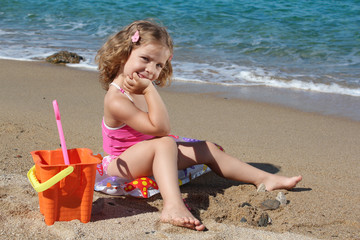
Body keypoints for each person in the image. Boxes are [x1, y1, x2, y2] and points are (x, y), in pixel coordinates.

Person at [96, 20, 302, 231]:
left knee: (207, 148)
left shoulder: (140, 86)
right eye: (145, 59)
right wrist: (150, 91)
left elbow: (159, 131)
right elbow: (161, 129)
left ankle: (264, 179)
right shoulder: (116, 99)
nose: (151, 70)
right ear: (123, 53)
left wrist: (147, 90)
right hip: (121, 164)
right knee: (165, 142)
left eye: (159, 65)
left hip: (152, 152)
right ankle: (173, 206)